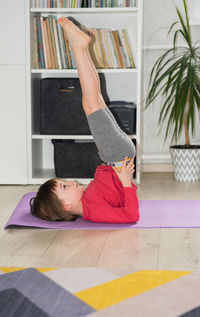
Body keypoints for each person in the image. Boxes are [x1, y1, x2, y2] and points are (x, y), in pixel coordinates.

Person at [30, 17, 139, 224]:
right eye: (64, 187)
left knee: (96, 98)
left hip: (113, 156)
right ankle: (78, 48)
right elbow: (131, 216)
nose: (70, 182)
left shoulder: (88, 201)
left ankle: (82, 49)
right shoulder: (93, 211)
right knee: (91, 102)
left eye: (63, 182)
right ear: (66, 207)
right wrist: (126, 182)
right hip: (116, 155)